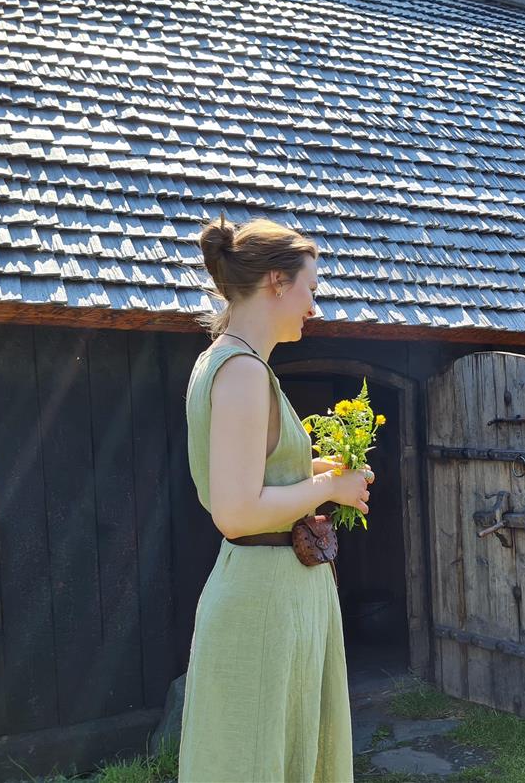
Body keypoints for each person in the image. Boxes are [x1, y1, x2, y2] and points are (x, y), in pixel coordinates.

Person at [178, 216, 372, 782]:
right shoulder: (241, 372)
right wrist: (331, 488)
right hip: (262, 602)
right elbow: (236, 512)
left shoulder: (234, 362)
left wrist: (320, 470)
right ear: (276, 282)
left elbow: (254, 473)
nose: (314, 306)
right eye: (310, 288)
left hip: (277, 597)